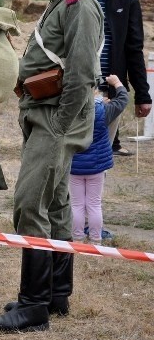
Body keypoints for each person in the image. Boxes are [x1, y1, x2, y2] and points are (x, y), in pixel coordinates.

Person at [0, 0, 103, 334]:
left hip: (56, 118)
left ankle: (33, 306)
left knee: (29, 203)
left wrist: (61, 122)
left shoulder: (78, 5)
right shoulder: (59, 4)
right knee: (54, 203)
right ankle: (56, 293)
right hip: (45, 114)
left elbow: (83, 72)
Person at [77, 0, 151, 156]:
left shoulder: (126, 0)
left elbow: (134, 49)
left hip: (110, 87)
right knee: (74, 153)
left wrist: (143, 95)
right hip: (75, 85)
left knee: (101, 154)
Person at [70, 75, 128, 244]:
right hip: (97, 167)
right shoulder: (103, 110)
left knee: (76, 205)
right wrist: (116, 83)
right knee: (94, 205)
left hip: (75, 166)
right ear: (95, 91)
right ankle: (96, 240)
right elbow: (123, 100)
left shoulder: (69, 110)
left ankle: (77, 239)